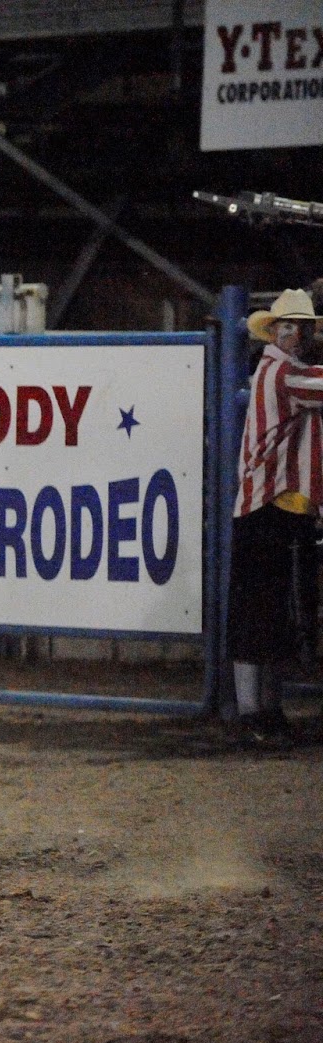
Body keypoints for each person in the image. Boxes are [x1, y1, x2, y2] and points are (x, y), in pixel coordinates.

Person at [225, 288, 323, 749]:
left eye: (302, 326)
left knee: (266, 609)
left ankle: (262, 710)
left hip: (271, 507)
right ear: (276, 330)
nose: (297, 333)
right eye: (291, 325)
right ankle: (253, 712)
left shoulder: (277, 370)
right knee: (261, 609)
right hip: (267, 506)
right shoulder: (285, 374)